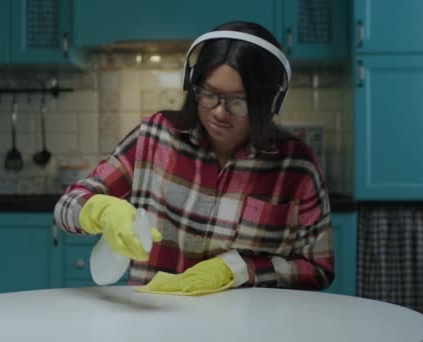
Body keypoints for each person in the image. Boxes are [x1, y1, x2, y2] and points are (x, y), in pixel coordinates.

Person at [54, 21, 333, 295]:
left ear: (270, 102)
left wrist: (238, 270)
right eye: (209, 94)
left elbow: (318, 269)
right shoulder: (154, 136)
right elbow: (67, 207)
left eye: (239, 100)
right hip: (154, 320)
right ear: (193, 85)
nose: (220, 112)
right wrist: (99, 211)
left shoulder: (297, 167)